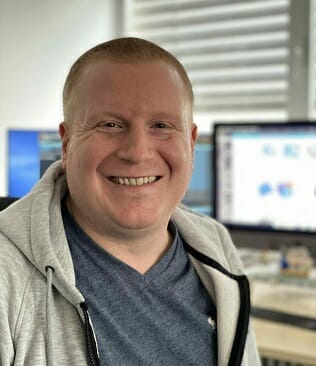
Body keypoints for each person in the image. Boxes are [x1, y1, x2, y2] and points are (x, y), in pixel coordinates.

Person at [0, 37, 261, 366]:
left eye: (162, 126)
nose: (137, 152)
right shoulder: (5, 275)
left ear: (191, 145)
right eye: (110, 125)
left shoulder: (216, 246)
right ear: (66, 145)